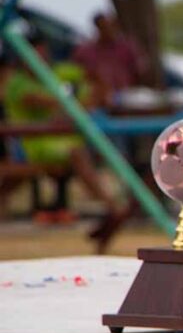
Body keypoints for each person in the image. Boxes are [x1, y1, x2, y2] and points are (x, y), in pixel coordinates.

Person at [4, 32, 127, 243]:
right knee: (78, 152)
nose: (41, 58)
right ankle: (111, 206)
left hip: (64, 139)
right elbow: (50, 103)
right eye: (36, 54)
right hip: (32, 145)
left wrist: (100, 93)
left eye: (44, 53)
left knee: (99, 143)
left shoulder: (59, 72)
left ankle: (118, 201)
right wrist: (84, 103)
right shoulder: (18, 83)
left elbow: (91, 76)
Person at [72, 13, 147, 106]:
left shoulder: (128, 47)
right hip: (93, 102)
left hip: (125, 100)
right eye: (104, 27)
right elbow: (76, 75)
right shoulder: (84, 51)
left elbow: (140, 71)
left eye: (112, 26)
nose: (108, 30)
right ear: (97, 27)